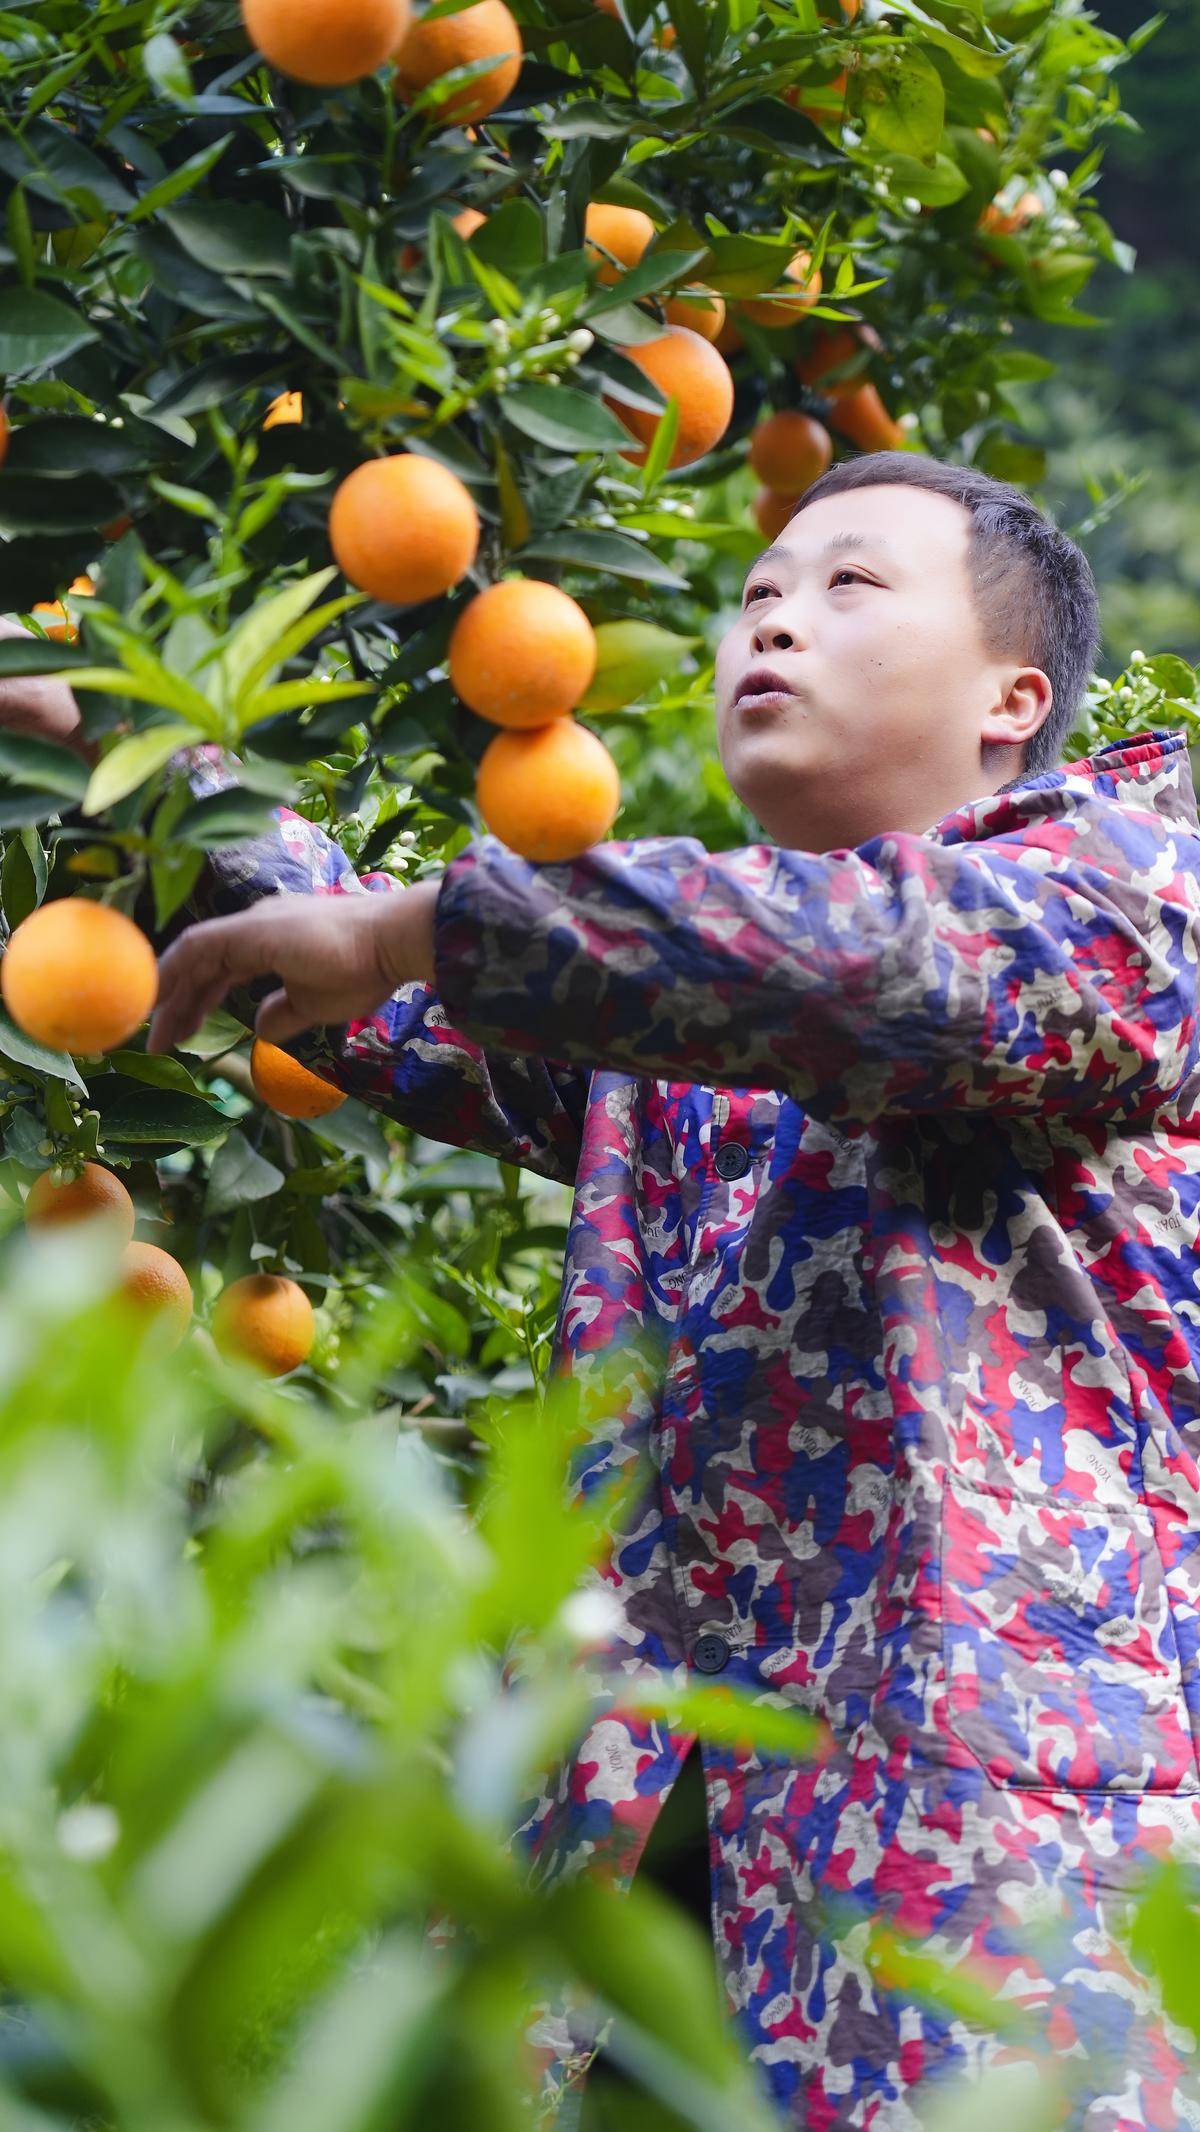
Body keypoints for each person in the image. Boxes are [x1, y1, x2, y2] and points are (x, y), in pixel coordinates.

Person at [3, 452, 1199, 2131]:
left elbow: (880, 968)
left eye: (851, 585)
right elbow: (355, 975)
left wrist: (428, 923)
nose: (774, 617)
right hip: (643, 1874)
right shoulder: (679, 1034)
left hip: (987, 1885)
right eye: (759, 593)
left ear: (1016, 697)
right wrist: (137, 766)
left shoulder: (1135, 895)